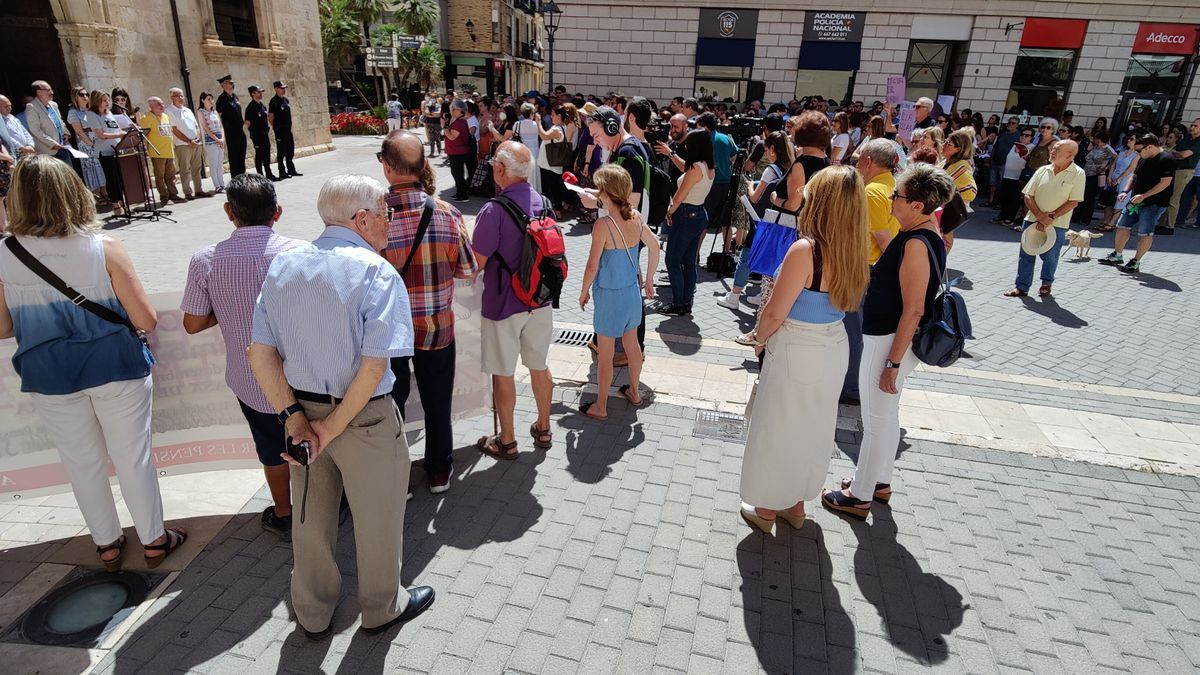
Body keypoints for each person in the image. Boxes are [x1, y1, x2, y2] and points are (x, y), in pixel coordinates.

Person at [247, 174, 434, 639]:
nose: (391, 221)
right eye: (386, 213)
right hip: (363, 417)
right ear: (362, 218)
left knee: (310, 517)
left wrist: (296, 420)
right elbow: (373, 368)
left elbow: (260, 353)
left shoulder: (284, 266)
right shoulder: (375, 271)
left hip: (301, 412)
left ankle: (311, 611)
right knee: (377, 516)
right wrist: (329, 427)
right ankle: (381, 607)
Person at [0, 155, 187, 569]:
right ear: (73, 192)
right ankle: (155, 540)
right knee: (132, 455)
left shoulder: (5, 253)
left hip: (48, 373)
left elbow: (2, 327)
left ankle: (106, 543)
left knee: (80, 460)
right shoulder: (104, 248)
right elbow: (144, 319)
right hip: (115, 367)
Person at [739, 166, 870, 532]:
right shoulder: (854, 248)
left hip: (797, 344)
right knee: (811, 427)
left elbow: (775, 312)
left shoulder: (806, 249)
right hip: (833, 344)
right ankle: (795, 505)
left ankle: (766, 509)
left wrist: (759, 339)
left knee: (777, 426)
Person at [821, 163, 955, 519]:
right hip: (889, 338)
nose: (893, 199)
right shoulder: (923, 233)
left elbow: (913, 309)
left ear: (918, 206)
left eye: (899, 195)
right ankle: (879, 482)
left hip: (889, 340)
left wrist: (892, 363)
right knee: (887, 415)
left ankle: (860, 496)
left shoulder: (915, 243)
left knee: (876, 419)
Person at [181, 174, 304, 538]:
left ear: (228, 212)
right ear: (278, 212)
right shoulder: (300, 252)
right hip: (303, 377)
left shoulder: (205, 261)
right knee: (312, 441)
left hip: (250, 380)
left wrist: (228, 308)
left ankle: (284, 511)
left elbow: (191, 323)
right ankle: (321, 508)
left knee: (269, 448)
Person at [378, 131, 478, 493]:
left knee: (391, 405)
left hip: (388, 333)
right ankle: (438, 471)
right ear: (423, 165)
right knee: (438, 402)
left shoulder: (373, 217)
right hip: (437, 327)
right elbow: (468, 270)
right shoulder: (448, 213)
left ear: (387, 168)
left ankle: (395, 474)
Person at [470, 142, 555, 459]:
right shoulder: (544, 203)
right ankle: (543, 427)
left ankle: (507, 441)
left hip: (503, 303)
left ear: (501, 170)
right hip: (540, 300)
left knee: (503, 373)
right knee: (539, 366)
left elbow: (476, 263)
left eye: (494, 163)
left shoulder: (493, 210)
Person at [577, 164, 660, 420]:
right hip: (631, 294)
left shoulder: (603, 225)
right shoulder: (635, 217)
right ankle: (634, 392)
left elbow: (592, 265)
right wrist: (648, 280)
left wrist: (583, 291)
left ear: (606, 192)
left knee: (606, 354)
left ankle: (601, 406)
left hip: (610, 296)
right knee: (632, 346)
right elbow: (655, 246)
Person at [841, 139, 903, 405]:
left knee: (852, 332)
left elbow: (883, 239)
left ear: (867, 161)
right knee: (861, 331)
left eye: (858, 159)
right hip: (874, 270)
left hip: (865, 268)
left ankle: (852, 388)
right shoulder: (894, 187)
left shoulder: (871, 192)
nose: (857, 164)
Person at [720, 130, 791, 310]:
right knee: (774, 259)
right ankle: (763, 293)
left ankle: (734, 296)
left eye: (767, 150)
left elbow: (754, 198)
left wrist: (751, 185)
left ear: (773, 149)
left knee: (745, 257)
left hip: (762, 220)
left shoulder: (770, 170)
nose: (765, 154)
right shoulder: (790, 167)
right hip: (780, 221)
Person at [1003, 140, 1084, 298]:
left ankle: (1046, 283)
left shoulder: (1078, 173)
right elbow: (1028, 195)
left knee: (1051, 256)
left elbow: (1073, 201)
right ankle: (1021, 286)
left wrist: (1050, 217)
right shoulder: (1043, 170)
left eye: (1056, 149)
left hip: (1057, 223)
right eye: (1052, 148)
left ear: (1070, 154)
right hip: (1032, 218)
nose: (1052, 151)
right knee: (1026, 253)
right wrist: (1040, 216)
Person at [1098, 134, 1174, 273]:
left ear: (1149, 147)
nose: (1137, 153)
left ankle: (1136, 261)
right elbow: (1134, 175)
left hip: (1154, 203)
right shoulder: (1142, 158)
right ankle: (1117, 254)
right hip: (1135, 201)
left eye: (1139, 150)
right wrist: (1125, 191)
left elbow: (1165, 182)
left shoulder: (1167, 159)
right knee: (1122, 226)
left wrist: (1144, 196)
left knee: (1145, 233)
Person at [659, 126, 713, 317]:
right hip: (698, 214)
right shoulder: (706, 166)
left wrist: (668, 212)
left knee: (672, 260)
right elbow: (686, 169)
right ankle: (686, 302)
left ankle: (678, 303)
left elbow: (679, 196)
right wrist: (671, 153)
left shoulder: (695, 168)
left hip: (685, 214)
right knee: (689, 262)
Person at [698, 112, 738, 252]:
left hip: (708, 183)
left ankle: (695, 254)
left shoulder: (702, 139)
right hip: (726, 183)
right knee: (726, 222)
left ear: (703, 125)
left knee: (703, 220)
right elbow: (736, 158)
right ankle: (726, 252)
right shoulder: (726, 139)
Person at [85, 91, 128, 216]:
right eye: (104, 100)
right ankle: (115, 204)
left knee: (120, 178)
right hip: (104, 151)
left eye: (108, 100)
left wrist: (124, 133)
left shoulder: (109, 113)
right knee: (111, 178)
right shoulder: (92, 114)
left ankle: (123, 201)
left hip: (117, 149)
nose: (107, 103)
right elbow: (100, 134)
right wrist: (120, 134)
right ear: (97, 101)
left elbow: (116, 128)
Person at [139, 97, 184, 204]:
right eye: (159, 104)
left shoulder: (165, 116)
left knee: (171, 175)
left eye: (162, 103)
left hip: (169, 151)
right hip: (157, 153)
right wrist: (144, 149)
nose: (162, 106)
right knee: (160, 177)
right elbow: (144, 136)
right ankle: (164, 197)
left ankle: (173, 194)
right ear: (151, 106)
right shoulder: (147, 118)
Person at [535, 103, 577, 213]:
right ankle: (556, 209)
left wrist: (538, 122)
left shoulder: (557, 129)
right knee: (554, 188)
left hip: (550, 164)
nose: (551, 117)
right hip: (551, 163)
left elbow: (543, 135)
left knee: (553, 189)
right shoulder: (562, 127)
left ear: (559, 116)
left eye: (553, 115)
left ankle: (557, 210)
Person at [66, 86, 107, 201]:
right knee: (92, 167)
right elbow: (79, 131)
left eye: (86, 94)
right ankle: (97, 194)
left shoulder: (91, 110)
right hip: (86, 142)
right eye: (81, 95)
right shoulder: (73, 112)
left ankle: (106, 190)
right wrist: (91, 144)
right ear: (75, 97)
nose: (85, 97)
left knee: (102, 166)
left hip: (98, 139)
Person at [165, 88, 206, 200]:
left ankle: (199, 190)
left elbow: (196, 126)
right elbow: (174, 130)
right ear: (172, 97)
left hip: (195, 143)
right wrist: (189, 141)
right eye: (178, 96)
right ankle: (187, 192)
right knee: (185, 169)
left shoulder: (188, 110)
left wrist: (197, 139)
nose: (181, 98)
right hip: (182, 145)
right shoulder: (169, 111)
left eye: (182, 95)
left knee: (197, 168)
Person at [1074, 129, 1116, 227]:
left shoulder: (1107, 149)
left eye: (1096, 138)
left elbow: (1114, 159)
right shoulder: (1095, 147)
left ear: (1100, 139)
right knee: (1082, 196)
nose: (1093, 139)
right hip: (1087, 173)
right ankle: (1077, 216)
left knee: (1090, 198)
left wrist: (1105, 168)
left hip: (1096, 175)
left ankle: (1086, 218)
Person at [1100, 133, 1140, 232]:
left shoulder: (1137, 155)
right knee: (1109, 200)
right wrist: (1109, 177)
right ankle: (1105, 221)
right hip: (1114, 176)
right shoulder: (1121, 152)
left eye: (1132, 139)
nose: (1129, 140)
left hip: (1125, 179)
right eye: (1129, 138)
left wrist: (1119, 179)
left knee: (1119, 202)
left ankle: (1111, 223)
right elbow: (1113, 164)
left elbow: (1131, 169)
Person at [994, 127, 1034, 225]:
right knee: (1004, 197)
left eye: (1027, 135)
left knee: (1014, 199)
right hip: (1007, 175)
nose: (1024, 137)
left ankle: (1010, 218)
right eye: (1022, 134)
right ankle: (1002, 215)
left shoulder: (1032, 147)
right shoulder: (1015, 145)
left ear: (1031, 138)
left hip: (1018, 177)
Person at [24, 81, 72, 160]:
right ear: (39, 92)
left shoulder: (53, 104)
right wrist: (52, 144)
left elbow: (60, 122)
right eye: (48, 90)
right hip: (48, 151)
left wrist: (66, 133)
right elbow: (35, 130)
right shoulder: (31, 107)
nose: (52, 92)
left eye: (51, 89)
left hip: (63, 147)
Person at [1167, 118, 1200, 232]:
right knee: (1170, 195)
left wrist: (1176, 153)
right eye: (1192, 125)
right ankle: (1164, 223)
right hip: (1176, 168)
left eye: (1195, 126)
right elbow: (1174, 150)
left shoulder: (1198, 141)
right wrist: (1176, 153)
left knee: (1175, 197)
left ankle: (1170, 225)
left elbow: (1183, 154)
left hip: (1186, 170)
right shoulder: (1187, 138)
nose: (1192, 127)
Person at [215, 76, 247, 177]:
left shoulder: (235, 97)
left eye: (232, 84)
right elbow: (218, 117)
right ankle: (236, 178)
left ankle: (242, 175)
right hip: (230, 132)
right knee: (234, 155)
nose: (232, 86)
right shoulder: (222, 99)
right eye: (229, 84)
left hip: (239, 130)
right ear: (224, 85)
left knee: (241, 154)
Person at [244, 86, 277, 181]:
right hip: (257, 135)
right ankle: (260, 176)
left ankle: (268, 173)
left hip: (264, 134)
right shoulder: (250, 107)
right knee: (259, 155)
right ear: (253, 94)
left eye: (261, 92)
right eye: (258, 92)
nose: (261, 94)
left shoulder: (262, 106)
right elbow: (247, 123)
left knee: (266, 154)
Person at [197, 91, 227, 193]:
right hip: (210, 140)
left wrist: (222, 138)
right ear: (203, 100)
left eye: (211, 99)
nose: (211, 101)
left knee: (219, 164)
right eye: (208, 99)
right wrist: (216, 139)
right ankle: (217, 185)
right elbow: (205, 128)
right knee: (213, 164)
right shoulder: (201, 112)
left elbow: (221, 126)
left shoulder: (215, 112)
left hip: (219, 139)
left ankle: (222, 184)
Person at [269, 81, 300, 178]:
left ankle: (291, 170)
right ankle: (282, 172)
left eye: (284, 88)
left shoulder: (286, 100)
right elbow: (270, 117)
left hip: (288, 130)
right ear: (276, 89)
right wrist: (275, 128)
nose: (284, 90)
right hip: (280, 131)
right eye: (282, 88)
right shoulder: (273, 101)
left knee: (290, 151)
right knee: (281, 152)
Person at [443, 99, 472, 202]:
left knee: (458, 174)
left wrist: (445, 129)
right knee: (456, 173)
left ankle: (463, 195)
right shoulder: (458, 121)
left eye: (453, 109)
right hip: (455, 151)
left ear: (458, 110)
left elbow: (452, 137)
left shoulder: (460, 122)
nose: (451, 111)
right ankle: (459, 192)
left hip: (458, 152)